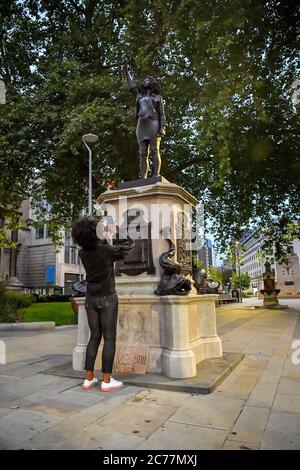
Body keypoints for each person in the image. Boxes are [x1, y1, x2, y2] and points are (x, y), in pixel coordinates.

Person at [71, 217, 133, 392]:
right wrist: (114, 231)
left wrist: (103, 236)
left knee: (94, 338)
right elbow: (129, 245)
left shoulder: (82, 253)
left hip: (91, 299)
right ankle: (106, 380)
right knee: (109, 339)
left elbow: (97, 247)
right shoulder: (107, 251)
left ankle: (88, 378)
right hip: (108, 298)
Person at [122, 60, 167, 179]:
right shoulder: (139, 96)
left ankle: (156, 175)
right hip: (141, 124)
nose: (145, 80)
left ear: (152, 83)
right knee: (142, 153)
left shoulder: (158, 97)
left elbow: (162, 114)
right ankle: (143, 177)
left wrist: (162, 128)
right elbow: (131, 86)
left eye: (148, 79)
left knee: (154, 150)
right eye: (144, 79)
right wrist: (126, 71)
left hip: (153, 123)